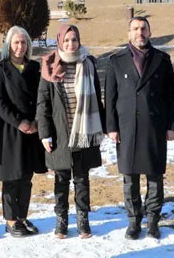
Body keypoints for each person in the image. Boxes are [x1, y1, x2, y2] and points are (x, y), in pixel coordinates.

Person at [105, 16, 174, 240]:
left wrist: (172, 126)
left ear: (150, 32)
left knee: (155, 177)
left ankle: (153, 221)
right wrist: (111, 126)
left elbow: (172, 97)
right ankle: (134, 221)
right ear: (129, 33)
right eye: (135, 29)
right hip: (127, 128)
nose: (140, 33)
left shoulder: (162, 60)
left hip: (155, 127)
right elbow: (109, 97)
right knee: (130, 178)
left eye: (143, 29)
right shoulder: (116, 60)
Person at [36, 24, 106, 239]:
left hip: (84, 130)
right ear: (59, 42)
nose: (70, 44)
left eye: (74, 39)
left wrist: (101, 128)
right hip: (60, 132)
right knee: (61, 177)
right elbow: (43, 103)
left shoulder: (88, 64)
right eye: (66, 40)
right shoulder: (49, 67)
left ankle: (83, 218)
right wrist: (44, 133)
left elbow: (97, 97)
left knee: (82, 178)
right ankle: (61, 219)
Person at [0, 26, 47, 238]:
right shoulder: (0, 69)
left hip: (32, 129)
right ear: (9, 45)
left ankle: (22, 216)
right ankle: (11, 220)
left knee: (26, 176)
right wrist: (19, 122)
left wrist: (36, 121)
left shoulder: (33, 68)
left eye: (23, 43)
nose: (20, 47)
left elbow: (41, 96)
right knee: (11, 177)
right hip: (11, 130)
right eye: (16, 42)